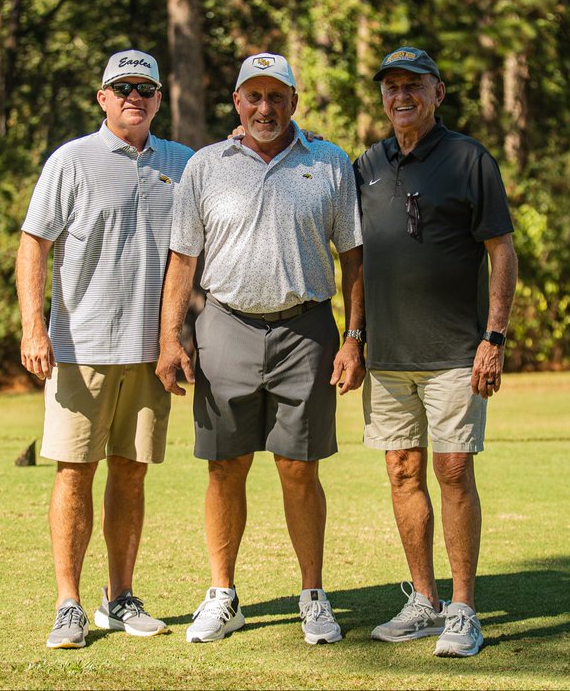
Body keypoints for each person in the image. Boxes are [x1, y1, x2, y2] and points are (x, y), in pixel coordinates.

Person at [155, 52, 365, 646]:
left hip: (307, 330)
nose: (265, 108)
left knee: (299, 468)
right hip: (225, 325)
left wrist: (354, 337)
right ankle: (223, 595)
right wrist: (172, 337)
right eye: (254, 97)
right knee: (225, 467)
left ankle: (313, 595)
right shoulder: (205, 165)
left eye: (277, 97)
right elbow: (183, 260)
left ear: (294, 102)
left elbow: (353, 258)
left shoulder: (328, 163)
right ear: (237, 103)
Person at [16, 49, 194, 649]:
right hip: (81, 346)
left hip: (151, 352)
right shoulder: (72, 159)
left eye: (144, 88)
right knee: (74, 473)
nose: (133, 97)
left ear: (159, 99)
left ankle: (119, 598)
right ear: (102, 97)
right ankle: (68, 603)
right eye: (121, 87)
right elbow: (34, 244)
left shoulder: (180, 162)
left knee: (131, 473)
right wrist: (33, 328)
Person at [354, 46, 518, 658]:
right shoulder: (365, 165)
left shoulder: (470, 159)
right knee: (401, 472)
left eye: (413, 85)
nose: (401, 96)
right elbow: (357, 262)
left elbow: (502, 251)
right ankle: (423, 601)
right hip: (388, 355)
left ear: (438, 92)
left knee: (453, 471)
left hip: (456, 351)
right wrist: (355, 337)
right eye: (391, 86)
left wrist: (493, 338)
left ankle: (463, 609)